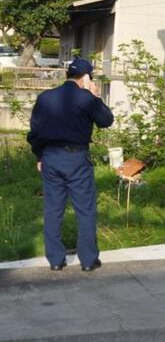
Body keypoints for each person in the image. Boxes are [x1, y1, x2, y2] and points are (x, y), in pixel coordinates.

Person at [27, 57, 114, 271]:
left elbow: (35, 131)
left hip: (50, 157)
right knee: (85, 210)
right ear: (86, 77)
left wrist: (40, 156)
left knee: (53, 210)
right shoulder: (86, 98)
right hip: (77, 159)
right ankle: (88, 261)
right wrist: (95, 96)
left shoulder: (45, 97)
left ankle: (56, 261)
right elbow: (106, 121)